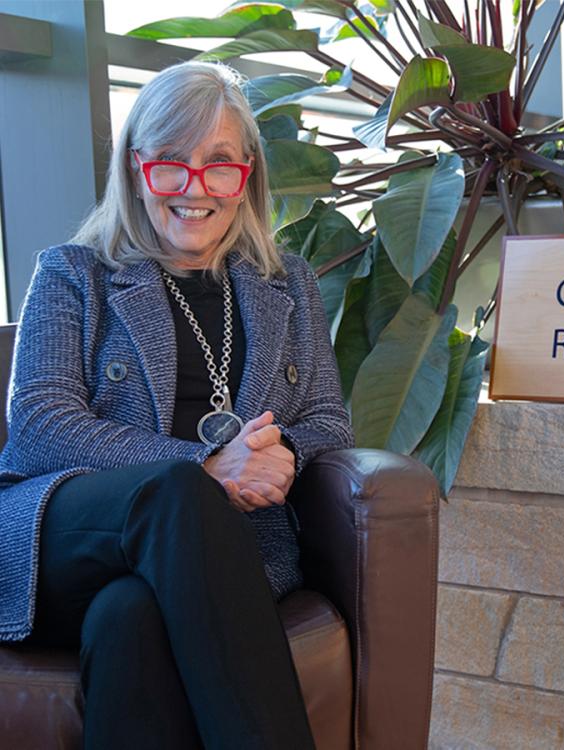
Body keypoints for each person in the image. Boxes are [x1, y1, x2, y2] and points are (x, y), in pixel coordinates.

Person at [0, 61, 353, 749]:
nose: (196, 189)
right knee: (176, 491)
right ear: (136, 169)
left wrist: (281, 458)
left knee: (130, 618)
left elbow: (326, 419)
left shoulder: (288, 284)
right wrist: (207, 464)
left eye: (218, 164)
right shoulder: (72, 273)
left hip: (216, 559)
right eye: (170, 163)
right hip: (65, 539)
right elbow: (41, 427)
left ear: (246, 174)